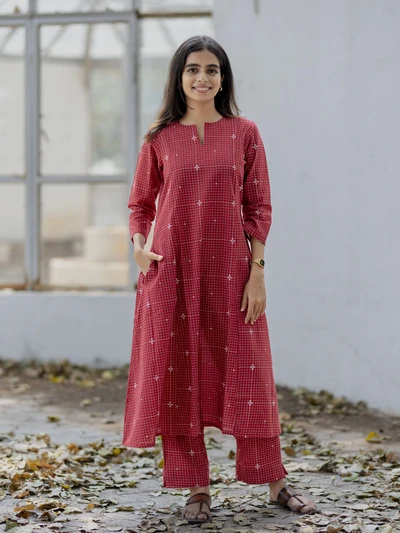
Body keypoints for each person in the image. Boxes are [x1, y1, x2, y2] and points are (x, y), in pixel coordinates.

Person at [123, 35, 316, 523]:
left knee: (251, 374)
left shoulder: (244, 132)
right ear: (179, 77)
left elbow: (259, 206)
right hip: (172, 272)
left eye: (212, 69)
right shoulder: (159, 138)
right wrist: (139, 248)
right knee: (179, 376)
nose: (202, 78)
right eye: (193, 69)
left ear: (223, 78)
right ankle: (197, 488)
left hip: (232, 273)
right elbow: (140, 204)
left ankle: (275, 482)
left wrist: (258, 273)